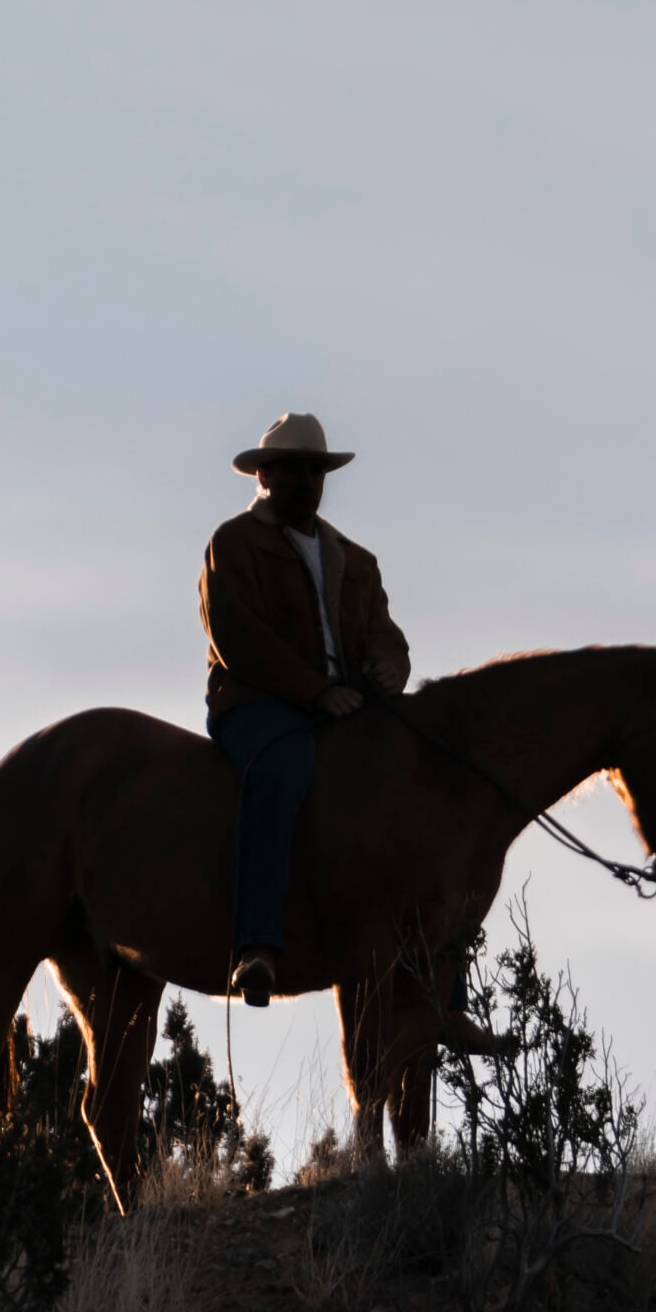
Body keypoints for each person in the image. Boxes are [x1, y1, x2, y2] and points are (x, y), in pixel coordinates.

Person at [199, 412, 408, 1006]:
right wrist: (315, 691)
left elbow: (386, 635)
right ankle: (257, 948)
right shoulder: (234, 544)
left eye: (314, 470)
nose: (305, 481)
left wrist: (387, 671)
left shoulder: (355, 560)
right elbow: (237, 637)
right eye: (291, 469)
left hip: (343, 708)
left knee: (425, 784)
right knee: (280, 771)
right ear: (263, 476)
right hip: (255, 703)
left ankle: (445, 987)